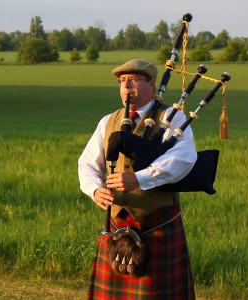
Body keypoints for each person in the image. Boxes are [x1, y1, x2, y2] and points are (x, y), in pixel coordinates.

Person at [78, 59, 197, 300]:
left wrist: (140, 179)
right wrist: (94, 189)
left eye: (133, 80)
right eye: (122, 81)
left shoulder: (172, 117)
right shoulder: (108, 121)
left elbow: (184, 158)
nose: (126, 87)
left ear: (151, 85)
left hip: (157, 225)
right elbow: (87, 163)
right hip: (116, 228)